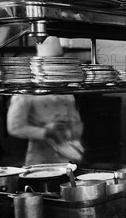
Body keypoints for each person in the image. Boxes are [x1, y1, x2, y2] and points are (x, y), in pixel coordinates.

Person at [7, 37, 83, 165]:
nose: (56, 70)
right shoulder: (26, 92)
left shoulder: (66, 89)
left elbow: (75, 120)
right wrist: (47, 132)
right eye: (51, 66)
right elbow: (14, 127)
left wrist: (75, 143)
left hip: (67, 155)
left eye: (58, 65)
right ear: (41, 67)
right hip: (40, 158)